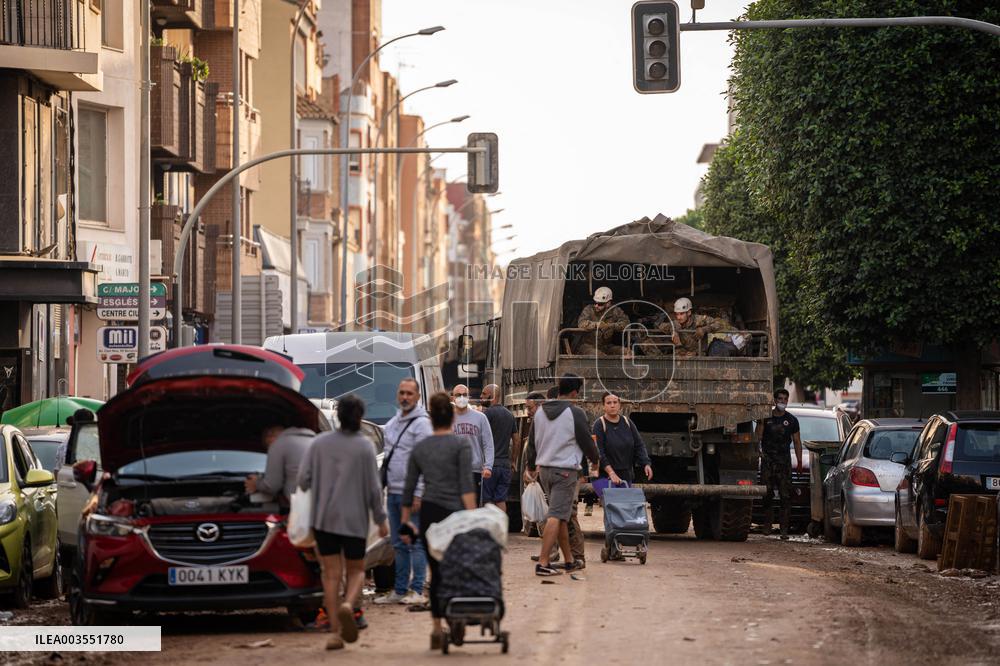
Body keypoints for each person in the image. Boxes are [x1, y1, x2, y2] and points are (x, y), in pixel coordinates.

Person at [297, 394, 389, 651]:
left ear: (337, 416)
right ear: (360, 418)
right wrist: (381, 520)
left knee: (330, 575)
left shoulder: (319, 444)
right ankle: (349, 605)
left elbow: (303, 481)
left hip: (324, 518)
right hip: (354, 519)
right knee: (357, 570)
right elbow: (373, 489)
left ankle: (335, 631)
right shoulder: (364, 447)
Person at [398, 392, 477, 650]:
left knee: (437, 572)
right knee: (457, 567)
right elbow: (467, 486)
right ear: (452, 416)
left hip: (430, 514)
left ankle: (435, 628)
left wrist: (406, 520)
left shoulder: (421, 448)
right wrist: (473, 518)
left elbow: (409, 489)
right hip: (455, 514)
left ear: (431, 417)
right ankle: (457, 613)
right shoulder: (461, 445)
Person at [526, 374, 600, 576]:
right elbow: (586, 441)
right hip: (565, 472)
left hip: (545, 472)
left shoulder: (540, 411)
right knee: (556, 516)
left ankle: (569, 560)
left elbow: (532, 441)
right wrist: (595, 459)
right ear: (575, 392)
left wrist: (531, 466)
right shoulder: (574, 412)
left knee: (562, 517)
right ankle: (543, 563)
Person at [377, 378, 433, 605]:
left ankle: (417, 590)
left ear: (418, 396)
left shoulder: (422, 425)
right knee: (398, 543)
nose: (405, 397)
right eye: (402, 393)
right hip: (393, 492)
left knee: (415, 542)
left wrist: (419, 492)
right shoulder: (393, 423)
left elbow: (426, 460)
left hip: (412, 494)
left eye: (410, 393)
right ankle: (400, 590)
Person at [755, 388, 803, 539]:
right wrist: (758, 452)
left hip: (784, 463)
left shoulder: (792, 420)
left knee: (785, 496)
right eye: (780, 399)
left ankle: (784, 530)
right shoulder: (765, 417)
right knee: (767, 494)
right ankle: (767, 526)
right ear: (775, 400)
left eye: (785, 399)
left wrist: (800, 461)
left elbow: (797, 441)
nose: (782, 402)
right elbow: (758, 437)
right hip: (768, 461)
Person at [593, 392, 653, 486]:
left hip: (626, 476)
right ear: (603, 406)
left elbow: (639, 445)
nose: (612, 405)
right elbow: (598, 453)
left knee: (627, 500)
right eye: (609, 403)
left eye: (615, 402)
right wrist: (611, 473)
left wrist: (646, 463)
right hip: (604, 477)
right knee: (613, 500)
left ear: (620, 405)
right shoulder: (599, 425)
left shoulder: (627, 422)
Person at [245, 424, 314, 504]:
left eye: (267, 446)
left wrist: (256, 483)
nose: (269, 447)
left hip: (303, 504)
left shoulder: (278, 444)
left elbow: (271, 486)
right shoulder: (316, 440)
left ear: (269, 436)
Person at [644, 297, 733, 357]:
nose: (679, 317)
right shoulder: (674, 324)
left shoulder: (699, 320)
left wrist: (705, 329)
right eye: (677, 314)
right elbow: (659, 326)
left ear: (689, 312)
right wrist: (672, 331)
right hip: (681, 357)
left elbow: (720, 323)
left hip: (700, 357)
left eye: (682, 314)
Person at [451, 384, 494, 505]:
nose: (461, 397)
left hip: (474, 470)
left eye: (464, 395)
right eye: (458, 395)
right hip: (454, 471)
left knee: (472, 508)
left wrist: (488, 466)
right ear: (453, 398)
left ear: (469, 397)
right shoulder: (448, 418)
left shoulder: (480, 418)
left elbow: (488, 443)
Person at [479, 383, 517, 512]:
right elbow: (516, 440)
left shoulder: (486, 415)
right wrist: (513, 460)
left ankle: (489, 530)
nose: (481, 396)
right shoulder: (509, 415)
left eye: (484, 394)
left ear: (492, 395)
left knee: (487, 500)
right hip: (504, 466)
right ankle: (502, 529)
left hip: (489, 467)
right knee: (501, 500)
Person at [575, 286, 630, 356]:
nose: (596, 306)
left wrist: (609, 326)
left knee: (628, 353)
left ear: (608, 303)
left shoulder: (615, 311)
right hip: (587, 346)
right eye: (595, 303)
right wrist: (596, 325)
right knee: (600, 356)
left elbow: (626, 323)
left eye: (600, 304)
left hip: (606, 346)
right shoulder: (588, 309)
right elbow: (581, 323)